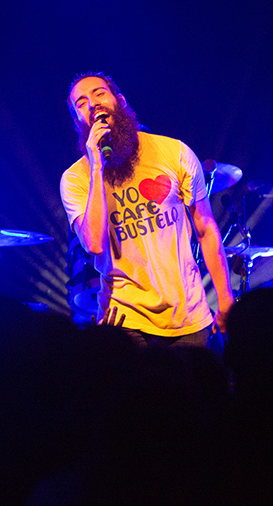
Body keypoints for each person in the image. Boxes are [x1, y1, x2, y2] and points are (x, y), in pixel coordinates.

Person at [59, 72, 233, 346]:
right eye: (81, 103)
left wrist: (226, 299)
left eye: (99, 93)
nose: (92, 104)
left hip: (188, 314)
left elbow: (206, 228)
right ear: (78, 121)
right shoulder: (76, 178)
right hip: (125, 318)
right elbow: (94, 243)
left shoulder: (174, 152)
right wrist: (96, 165)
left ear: (121, 100)